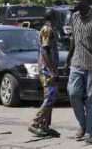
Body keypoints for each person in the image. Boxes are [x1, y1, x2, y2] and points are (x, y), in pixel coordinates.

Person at [65, 0, 92, 144]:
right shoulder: (74, 17)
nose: (74, 1)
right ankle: (83, 125)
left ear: (87, 1)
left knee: (91, 100)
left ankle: (90, 132)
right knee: (73, 94)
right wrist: (68, 59)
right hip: (76, 63)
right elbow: (73, 40)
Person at [28, 9, 61, 138]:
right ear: (53, 17)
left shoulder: (50, 29)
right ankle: (35, 123)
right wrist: (52, 70)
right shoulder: (47, 30)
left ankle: (45, 126)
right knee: (50, 96)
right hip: (47, 70)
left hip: (50, 69)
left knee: (52, 98)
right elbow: (45, 51)